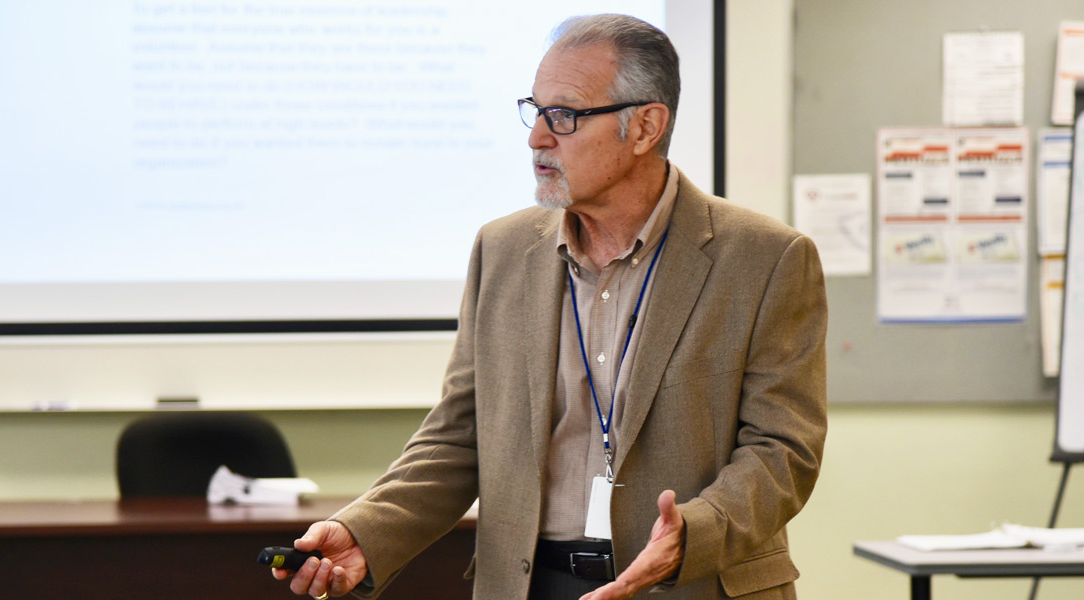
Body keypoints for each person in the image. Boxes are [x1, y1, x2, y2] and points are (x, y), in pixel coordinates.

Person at [272, 13, 827, 600]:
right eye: (534, 111)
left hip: (692, 583)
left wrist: (695, 535)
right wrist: (365, 530)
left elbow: (782, 451)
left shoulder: (765, 258)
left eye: (563, 115)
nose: (537, 137)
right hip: (530, 583)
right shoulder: (502, 250)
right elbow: (461, 435)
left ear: (645, 127)